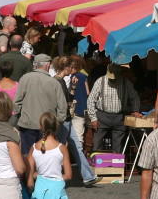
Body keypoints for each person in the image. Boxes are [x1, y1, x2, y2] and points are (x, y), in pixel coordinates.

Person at [53, 57, 100, 186]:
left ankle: (88, 176)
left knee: (77, 147)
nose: (73, 69)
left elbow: (68, 98)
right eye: (71, 67)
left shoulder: (61, 81)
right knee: (60, 148)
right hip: (63, 120)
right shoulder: (57, 81)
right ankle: (54, 175)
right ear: (66, 67)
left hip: (67, 119)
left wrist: (73, 88)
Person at [14, 54, 68, 155]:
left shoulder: (24, 78)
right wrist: (57, 123)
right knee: (44, 155)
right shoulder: (54, 83)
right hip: (47, 126)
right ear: (47, 65)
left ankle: (29, 171)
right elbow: (62, 107)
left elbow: (17, 102)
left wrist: (19, 117)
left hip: (27, 125)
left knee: (27, 154)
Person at [86, 63, 141, 153]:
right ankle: (98, 164)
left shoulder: (126, 82)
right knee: (97, 144)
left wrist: (135, 110)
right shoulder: (101, 81)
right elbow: (91, 100)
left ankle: (116, 166)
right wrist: (93, 118)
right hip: (102, 117)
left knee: (118, 147)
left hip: (120, 118)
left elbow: (134, 97)